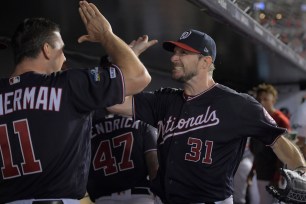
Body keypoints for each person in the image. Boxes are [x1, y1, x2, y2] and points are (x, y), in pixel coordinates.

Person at [108, 29, 306, 204]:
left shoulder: (237, 104)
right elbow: (113, 102)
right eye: (175, 53)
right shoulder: (165, 100)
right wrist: (130, 55)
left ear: (206, 61)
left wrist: (301, 172)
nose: (174, 58)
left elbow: (278, 141)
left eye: (183, 53)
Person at [0, 1, 151, 203]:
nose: (63, 58)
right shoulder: (67, 84)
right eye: (61, 50)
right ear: (47, 49)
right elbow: (139, 77)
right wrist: (106, 34)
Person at [87, 110, 158, 204]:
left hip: (104, 197)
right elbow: (153, 164)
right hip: (140, 195)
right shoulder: (142, 120)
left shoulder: (89, 125)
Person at [249, 83, 291, 204]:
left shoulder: (281, 120)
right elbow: (256, 149)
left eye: (266, 99)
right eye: (259, 99)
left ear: (273, 100)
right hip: (262, 172)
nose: (261, 102)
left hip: (275, 175)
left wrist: (278, 176)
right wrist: (253, 170)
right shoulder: (258, 119)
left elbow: (286, 151)